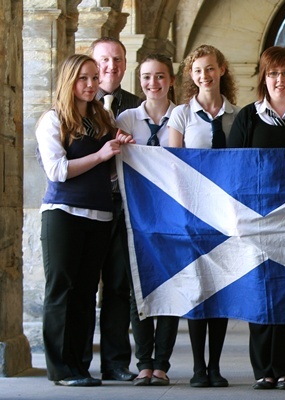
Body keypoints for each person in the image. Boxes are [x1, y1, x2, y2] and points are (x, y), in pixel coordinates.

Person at [36, 54, 134, 386]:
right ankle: (61, 370)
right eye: (83, 79)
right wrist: (101, 154)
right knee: (62, 290)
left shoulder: (102, 120)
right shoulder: (53, 120)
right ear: (69, 81)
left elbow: (104, 170)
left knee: (85, 294)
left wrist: (118, 148)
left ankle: (79, 366)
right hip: (63, 214)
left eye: (94, 78)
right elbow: (58, 171)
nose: (91, 85)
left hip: (100, 215)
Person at [228, 46, 285, 391]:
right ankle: (265, 368)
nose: (280, 80)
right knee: (260, 291)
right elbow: (232, 167)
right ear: (264, 77)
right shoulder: (249, 117)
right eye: (273, 73)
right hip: (258, 219)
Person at [167, 44, 240, 388]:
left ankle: (216, 365)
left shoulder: (238, 115)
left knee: (221, 286)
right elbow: (172, 165)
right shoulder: (181, 115)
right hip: (195, 213)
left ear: (222, 70)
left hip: (226, 214)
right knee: (198, 287)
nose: (204, 76)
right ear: (191, 76)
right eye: (197, 71)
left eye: (210, 68)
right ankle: (198, 367)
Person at [115, 54, 180, 387]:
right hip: (137, 214)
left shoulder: (181, 117)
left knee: (170, 285)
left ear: (170, 79)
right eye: (146, 77)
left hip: (172, 215)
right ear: (139, 81)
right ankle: (143, 362)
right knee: (137, 288)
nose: (153, 84)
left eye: (160, 77)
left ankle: (162, 363)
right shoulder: (127, 119)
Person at [89, 36, 143, 383]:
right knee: (81, 286)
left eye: (118, 60)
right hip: (87, 205)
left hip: (124, 206)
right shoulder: (77, 101)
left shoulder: (136, 107)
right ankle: (76, 360)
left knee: (119, 285)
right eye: (105, 60)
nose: (112, 66)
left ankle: (116, 362)